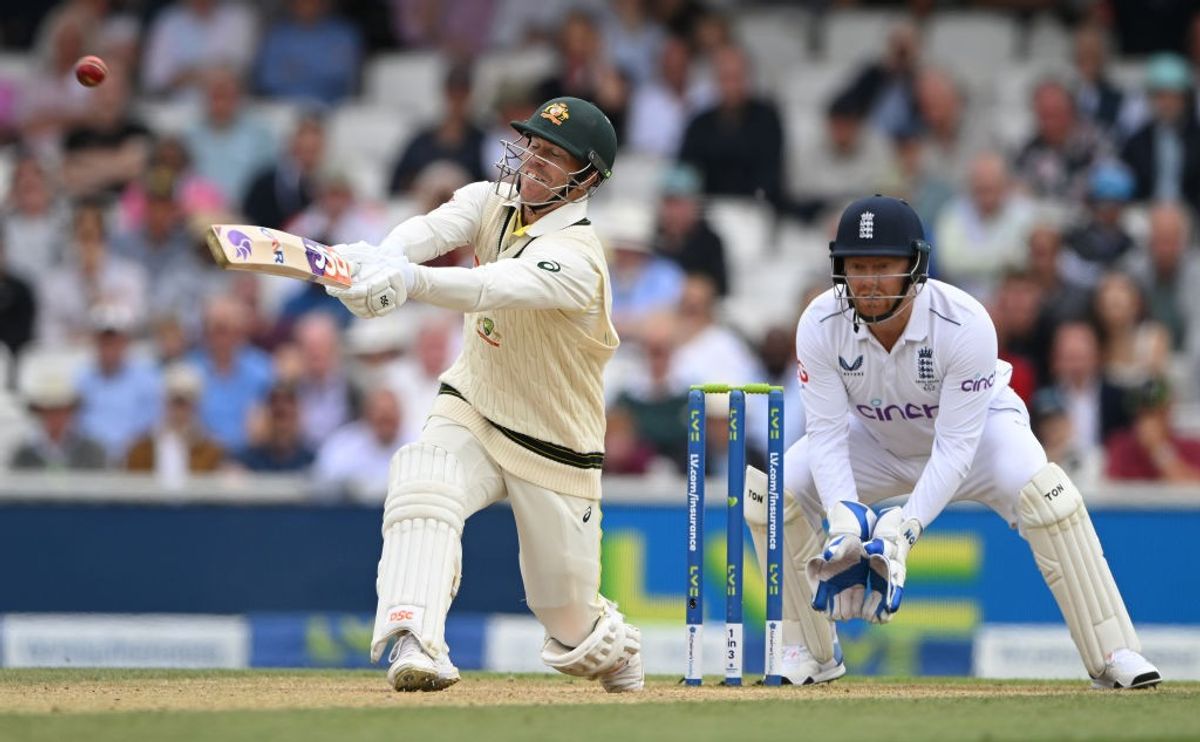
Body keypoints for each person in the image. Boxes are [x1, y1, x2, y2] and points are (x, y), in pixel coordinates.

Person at [742, 195, 1160, 690]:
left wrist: (905, 530)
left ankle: (1114, 653)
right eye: (857, 266)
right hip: (874, 440)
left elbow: (956, 448)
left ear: (915, 267)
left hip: (981, 438)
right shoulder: (819, 321)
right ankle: (811, 653)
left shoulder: (965, 322)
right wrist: (843, 522)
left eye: (883, 266)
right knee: (773, 495)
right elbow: (828, 434)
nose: (869, 281)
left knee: (1049, 498)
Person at [323, 96, 642, 694]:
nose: (533, 162)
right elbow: (430, 228)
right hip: (473, 400)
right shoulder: (490, 201)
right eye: (531, 147)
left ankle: (612, 645)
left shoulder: (577, 259)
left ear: (588, 177)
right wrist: (378, 260)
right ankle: (416, 640)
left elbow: (487, 287)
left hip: (554, 442)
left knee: (566, 615)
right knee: (423, 480)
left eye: (552, 156)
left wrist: (407, 281)